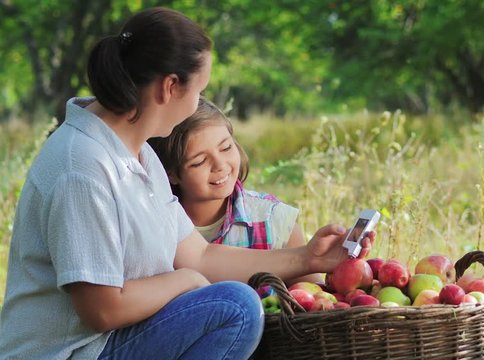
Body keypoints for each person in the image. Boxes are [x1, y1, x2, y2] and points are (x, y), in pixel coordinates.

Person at [0, 7, 372, 360]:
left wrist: (309, 257)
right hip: (74, 352)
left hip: (111, 341)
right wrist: (186, 281)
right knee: (235, 308)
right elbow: (102, 309)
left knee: (233, 302)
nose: (197, 105)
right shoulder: (82, 167)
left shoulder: (138, 155)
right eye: (198, 91)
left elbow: (199, 255)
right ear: (169, 87)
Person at [148, 97, 322, 284]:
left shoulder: (275, 220)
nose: (220, 165)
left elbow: (313, 296)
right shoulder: (158, 230)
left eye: (226, 147)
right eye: (199, 162)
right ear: (170, 173)